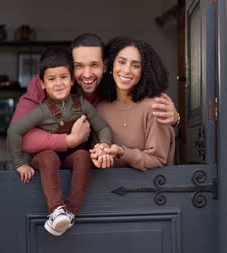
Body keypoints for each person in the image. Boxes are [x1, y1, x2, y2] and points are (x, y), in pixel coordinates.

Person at [10, 33, 180, 173]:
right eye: (79, 66)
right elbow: (16, 136)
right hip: (47, 173)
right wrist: (69, 140)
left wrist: (176, 119)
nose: (87, 74)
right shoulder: (48, 85)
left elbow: (155, 130)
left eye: (94, 65)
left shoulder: (119, 90)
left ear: (105, 66)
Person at [7, 47, 112, 236]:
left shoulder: (82, 104)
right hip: (45, 159)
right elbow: (15, 130)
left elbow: (102, 127)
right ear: (42, 83)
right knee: (49, 157)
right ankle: (56, 210)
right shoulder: (41, 110)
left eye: (63, 77)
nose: (58, 84)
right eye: (51, 79)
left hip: (70, 158)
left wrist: (104, 144)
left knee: (83, 156)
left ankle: (70, 212)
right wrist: (20, 163)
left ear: (72, 80)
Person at [91, 37, 175, 170]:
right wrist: (99, 155)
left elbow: (158, 160)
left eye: (135, 65)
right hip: (107, 187)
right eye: (122, 62)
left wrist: (123, 153)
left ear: (144, 72)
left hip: (152, 187)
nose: (126, 70)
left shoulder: (155, 106)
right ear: (111, 65)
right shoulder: (100, 109)